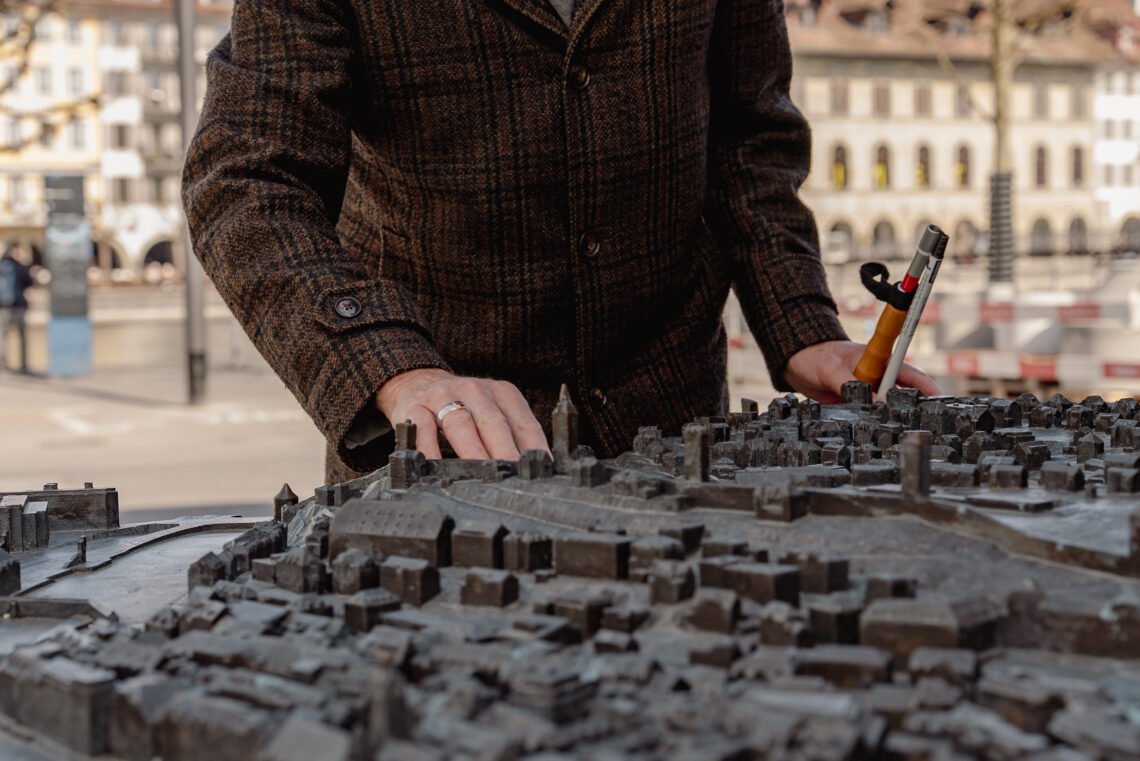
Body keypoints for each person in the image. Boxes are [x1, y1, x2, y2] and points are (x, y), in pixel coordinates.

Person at [183, 0, 938, 484]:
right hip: (440, 437)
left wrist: (801, 323)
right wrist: (394, 368)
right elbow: (248, 179)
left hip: (674, 426)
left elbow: (749, 137)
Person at [0, 245, 36, 374]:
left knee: (3, 338)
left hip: (3, 307)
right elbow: (30, 281)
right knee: (22, 337)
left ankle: (3, 367)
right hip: (18, 306)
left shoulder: (2, 266)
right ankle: (24, 366)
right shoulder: (19, 267)